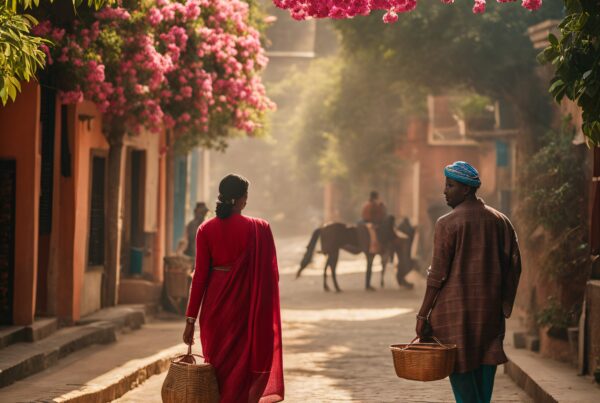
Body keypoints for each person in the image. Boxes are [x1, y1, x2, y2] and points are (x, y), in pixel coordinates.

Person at [416, 161, 521, 403]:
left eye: (450, 185)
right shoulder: (501, 221)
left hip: (453, 316)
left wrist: (423, 315)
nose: (444, 191)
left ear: (466, 189)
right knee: (484, 384)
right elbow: (515, 265)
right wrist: (503, 302)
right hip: (489, 317)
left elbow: (437, 276)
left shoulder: (447, 223)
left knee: (463, 385)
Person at [182, 174, 284, 403]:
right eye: (246, 196)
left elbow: (199, 278)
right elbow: (272, 276)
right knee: (242, 371)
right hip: (246, 310)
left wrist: (190, 319)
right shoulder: (260, 229)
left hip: (215, 312)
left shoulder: (205, 229)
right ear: (241, 199)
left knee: (217, 370)